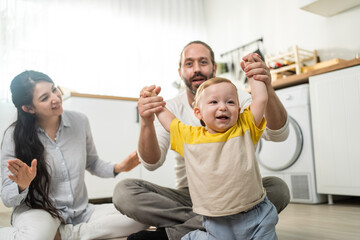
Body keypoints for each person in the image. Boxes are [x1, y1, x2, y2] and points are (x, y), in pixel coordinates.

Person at [113, 41, 290, 240]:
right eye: (189, 63)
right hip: (190, 197)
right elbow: (152, 162)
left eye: (203, 62)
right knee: (124, 192)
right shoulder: (186, 130)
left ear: (214, 68)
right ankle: (219, 222)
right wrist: (148, 116)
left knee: (278, 189)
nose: (223, 107)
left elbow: (273, 123)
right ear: (180, 72)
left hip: (241, 195)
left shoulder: (241, 111)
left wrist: (261, 80)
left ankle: (180, 232)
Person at [0, 70, 147, 240]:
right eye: (45, 98)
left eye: (54, 90)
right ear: (28, 108)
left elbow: (92, 162)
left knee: (141, 217)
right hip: (41, 211)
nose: (55, 98)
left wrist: (120, 167)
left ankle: (64, 235)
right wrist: (21, 186)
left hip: (80, 211)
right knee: (35, 237)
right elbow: (7, 198)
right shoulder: (14, 136)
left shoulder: (80, 121)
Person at [155, 75, 278, 239]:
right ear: (198, 113)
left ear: (239, 110)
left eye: (230, 102)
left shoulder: (245, 126)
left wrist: (254, 74)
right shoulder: (189, 137)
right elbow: (169, 122)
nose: (223, 107)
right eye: (214, 102)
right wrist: (153, 103)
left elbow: (261, 99)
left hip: (257, 215)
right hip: (218, 221)